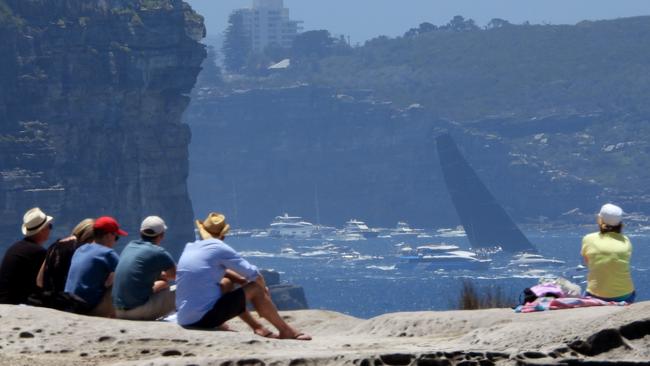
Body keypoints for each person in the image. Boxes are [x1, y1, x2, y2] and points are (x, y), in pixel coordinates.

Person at [176, 212, 311, 340]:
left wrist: (240, 280)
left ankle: (257, 327)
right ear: (223, 235)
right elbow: (255, 275)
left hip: (184, 318)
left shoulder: (190, 247)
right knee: (255, 288)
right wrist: (263, 292)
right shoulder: (220, 248)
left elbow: (207, 271)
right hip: (203, 319)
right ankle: (285, 330)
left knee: (227, 282)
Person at [113, 216, 177, 320]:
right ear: (162, 235)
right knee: (180, 290)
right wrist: (164, 277)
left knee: (162, 283)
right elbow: (175, 275)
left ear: (141, 233)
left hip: (118, 311)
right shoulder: (158, 252)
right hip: (138, 311)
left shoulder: (130, 246)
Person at [64, 216, 126, 317]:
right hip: (87, 307)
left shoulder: (80, 249)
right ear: (109, 235)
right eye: (116, 237)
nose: (115, 241)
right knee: (119, 282)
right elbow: (127, 274)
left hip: (68, 302)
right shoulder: (108, 253)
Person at [581, 203, 636, 303]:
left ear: (600, 220)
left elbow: (587, 263)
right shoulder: (626, 241)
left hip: (596, 295)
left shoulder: (589, 239)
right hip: (625, 295)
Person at [0, 208, 53, 304]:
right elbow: (44, 283)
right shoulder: (38, 253)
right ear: (41, 230)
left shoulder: (16, 247)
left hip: (5, 300)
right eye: (49, 226)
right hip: (16, 302)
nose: (50, 229)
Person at [36, 218, 95, 293]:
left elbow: (39, 281)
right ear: (89, 237)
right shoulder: (80, 251)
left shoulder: (54, 246)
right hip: (66, 300)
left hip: (47, 299)